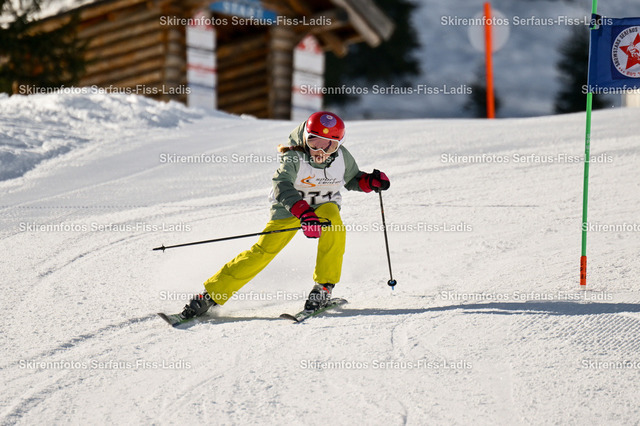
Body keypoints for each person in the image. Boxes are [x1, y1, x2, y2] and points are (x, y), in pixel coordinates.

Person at [180, 111, 390, 319]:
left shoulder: (343, 158)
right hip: (290, 209)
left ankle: (324, 288)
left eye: (329, 145)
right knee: (263, 251)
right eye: (314, 142)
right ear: (305, 138)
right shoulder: (294, 157)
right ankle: (211, 295)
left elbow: (352, 178)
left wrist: (368, 182)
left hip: (324, 206)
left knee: (334, 224)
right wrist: (303, 213)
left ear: (338, 146)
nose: (320, 150)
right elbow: (281, 185)